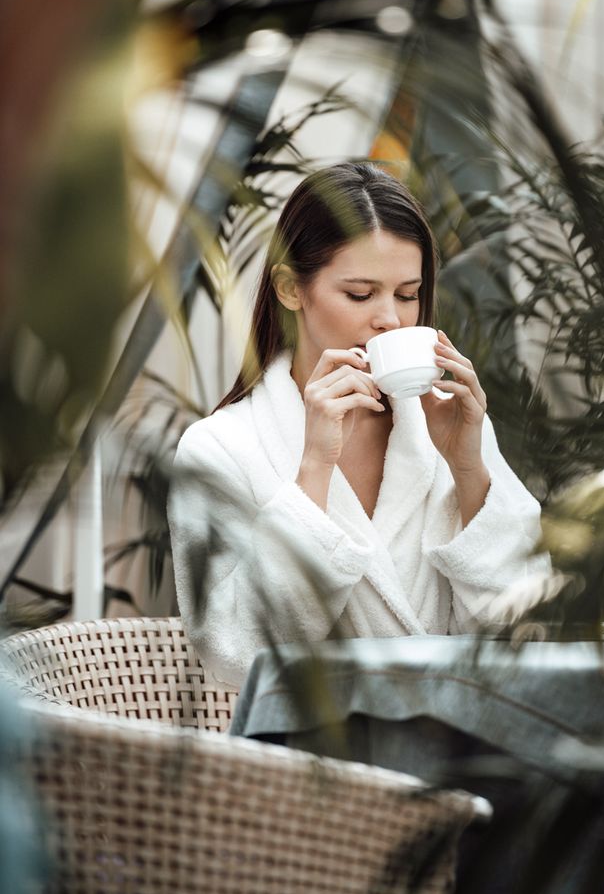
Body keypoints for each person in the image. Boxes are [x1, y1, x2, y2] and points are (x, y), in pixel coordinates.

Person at [169, 161, 549, 686]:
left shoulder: (451, 426)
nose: (390, 319)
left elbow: (531, 629)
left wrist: (468, 470)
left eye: (408, 294)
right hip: (305, 761)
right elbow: (234, 655)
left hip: (459, 748)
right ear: (289, 289)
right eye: (360, 294)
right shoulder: (220, 448)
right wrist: (313, 474)